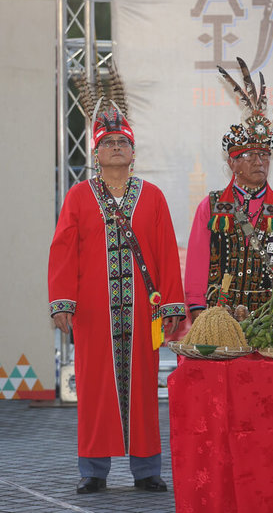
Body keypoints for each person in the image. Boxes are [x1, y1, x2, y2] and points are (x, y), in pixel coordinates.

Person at [48, 65, 185, 494]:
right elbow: (63, 250)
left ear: (133, 150)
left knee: (145, 390)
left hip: (143, 311)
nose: (116, 148)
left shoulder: (154, 196)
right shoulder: (78, 196)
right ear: (96, 152)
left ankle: (147, 472)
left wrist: (172, 307)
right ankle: (93, 471)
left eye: (123, 142)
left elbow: (165, 253)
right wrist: (62, 302)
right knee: (94, 391)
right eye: (108, 143)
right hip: (94, 314)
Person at [185, 58, 273, 319]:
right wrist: (198, 309)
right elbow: (198, 262)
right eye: (250, 155)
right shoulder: (210, 206)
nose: (260, 161)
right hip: (219, 318)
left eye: (265, 154)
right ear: (232, 162)